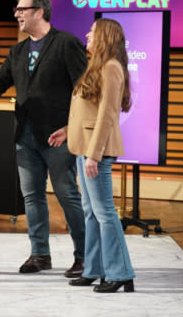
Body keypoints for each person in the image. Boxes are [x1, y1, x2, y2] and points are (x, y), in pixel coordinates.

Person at [0, 0, 87, 277]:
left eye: (21, 9)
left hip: (58, 136)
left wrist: (71, 127)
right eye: (16, 9)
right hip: (25, 137)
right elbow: (0, 78)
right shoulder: (18, 51)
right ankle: (40, 255)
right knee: (32, 197)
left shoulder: (66, 43)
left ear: (39, 11)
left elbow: (85, 91)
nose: (17, 14)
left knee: (67, 195)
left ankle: (86, 256)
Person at [63, 18, 135, 292]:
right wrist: (66, 131)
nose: (87, 35)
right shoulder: (97, 66)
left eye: (92, 32)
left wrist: (94, 155)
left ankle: (121, 273)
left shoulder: (112, 67)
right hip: (83, 147)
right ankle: (94, 269)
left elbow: (107, 115)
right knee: (90, 211)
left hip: (97, 151)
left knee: (104, 212)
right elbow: (87, 111)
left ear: (104, 37)